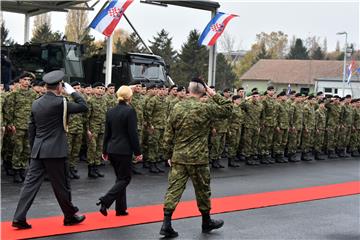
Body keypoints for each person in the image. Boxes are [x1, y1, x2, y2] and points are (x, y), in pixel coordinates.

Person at [12, 70, 88, 229]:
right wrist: (73, 91)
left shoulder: (36, 102)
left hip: (38, 150)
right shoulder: (61, 102)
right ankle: (70, 216)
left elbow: (31, 128)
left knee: (29, 185)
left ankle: (19, 217)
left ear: (46, 86)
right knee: (62, 185)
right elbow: (83, 106)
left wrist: (34, 149)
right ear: (60, 86)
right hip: (55, 151)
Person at [160, 78, 232, 238]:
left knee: (174, 190)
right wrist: (213, 94)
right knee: (203, 190)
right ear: (203, 91)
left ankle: (166, 223)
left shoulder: (177, 107)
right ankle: (206, 222)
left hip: (179, 157)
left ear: (188, 89)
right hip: (198, 158)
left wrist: (168, 155)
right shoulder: (206, 107)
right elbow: (228, 109)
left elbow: (168, 133)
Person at [97, 85, 143, 216]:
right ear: (130, 97)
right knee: (125, 179)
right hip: (124, 150)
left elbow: (107, 133)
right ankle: (105, 200)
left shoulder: (110, 111)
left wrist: (104, 150)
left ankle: (121, 209)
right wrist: (138, 152)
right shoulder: (130, 111)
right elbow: (132, 134)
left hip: (112, 149)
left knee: (120, 179)